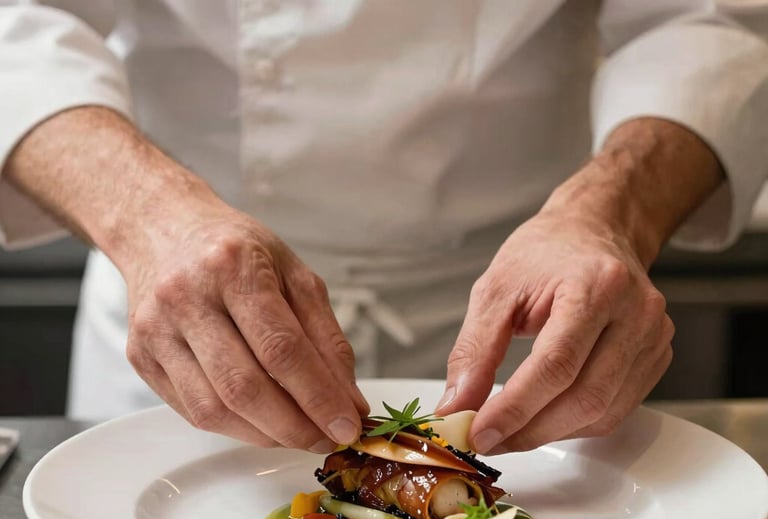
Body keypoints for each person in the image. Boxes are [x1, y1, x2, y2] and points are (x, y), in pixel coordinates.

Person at [1, 1, 767, 455]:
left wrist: (610, 216)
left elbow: (706, 19)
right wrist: (147, 219)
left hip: (529, 308)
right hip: (184, 300)